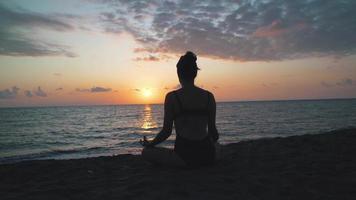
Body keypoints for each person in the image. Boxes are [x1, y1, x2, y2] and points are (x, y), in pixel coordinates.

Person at [140, 51, 219, 168]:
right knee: (217, 146)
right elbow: (214, 134)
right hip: (207, 156)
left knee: (146, 152)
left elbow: (166, 132)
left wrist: (151, 144)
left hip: (184, 157)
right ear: (195, 73)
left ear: (178, 73)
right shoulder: (209, 96)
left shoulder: (172, 97)